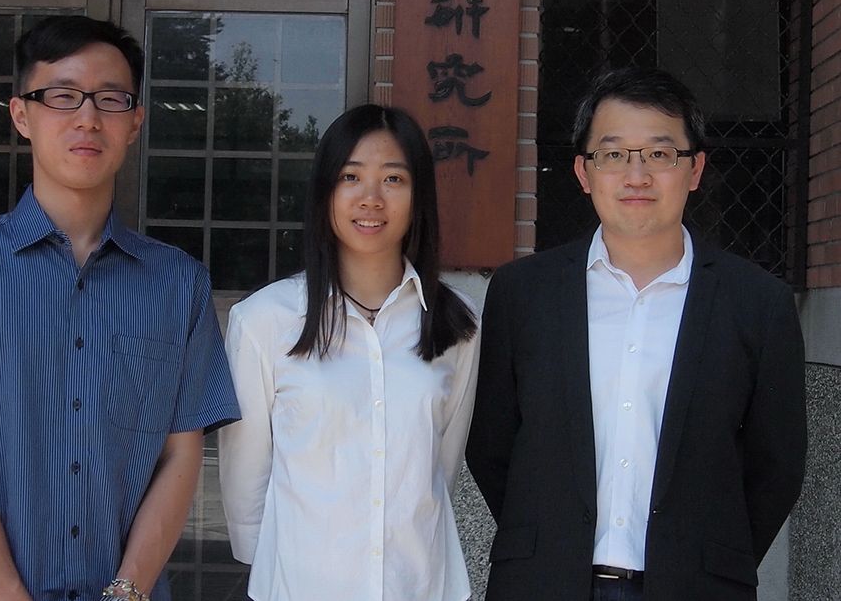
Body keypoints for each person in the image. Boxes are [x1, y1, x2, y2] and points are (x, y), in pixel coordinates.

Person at [0, 15, 240, 601]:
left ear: (135, 122)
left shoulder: (179, 283)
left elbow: (181, 454)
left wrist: (126, 591)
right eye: (63, 96)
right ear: (22, 115)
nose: (88, 118)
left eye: (111, 99)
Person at [466, 67, 807, 601]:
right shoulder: (522, 294)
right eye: (614, 154)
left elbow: (776, 466)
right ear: (584, 172)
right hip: (542, 582)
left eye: (659, 154)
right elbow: (491, 445)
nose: (637, 175)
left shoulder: (757, 303)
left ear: (695, 169)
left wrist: (709, 557)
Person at [218, 104, 480, 601]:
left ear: (419, 196)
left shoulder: (457, 323)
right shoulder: (264, 320)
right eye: (350, 177)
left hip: (419, 586)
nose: (371, 199)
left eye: (393, 179)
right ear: (325, 192)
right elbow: (246, 477)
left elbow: (440, 465)